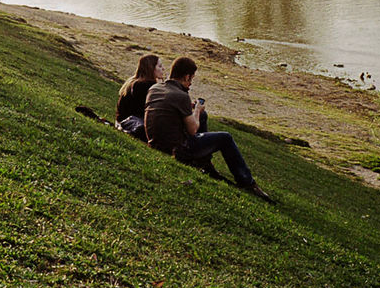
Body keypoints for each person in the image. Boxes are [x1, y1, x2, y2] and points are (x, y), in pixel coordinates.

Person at [144, 56, 272, 202]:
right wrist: (197, 109)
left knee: (202, 116)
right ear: (187, 76)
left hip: (156, 142)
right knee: (225, 137)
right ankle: (247, 182)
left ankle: (204, 164)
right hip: (176, 149)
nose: (191, 83)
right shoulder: (181, 96)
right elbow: (192, 130)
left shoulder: (155, 88)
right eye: (191, 79)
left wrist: (194, 111)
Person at [115, 54, 165, 140]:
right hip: (131, 122)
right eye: (159, 66)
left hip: (122, 121)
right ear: (151, 68)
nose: (163, 69)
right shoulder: (146, 85)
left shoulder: (133, 81)